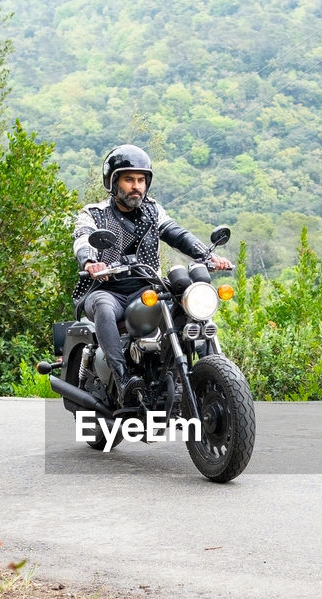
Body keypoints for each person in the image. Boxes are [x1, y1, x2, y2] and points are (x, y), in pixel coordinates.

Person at [72, 144, 233, 406]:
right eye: (128, 180)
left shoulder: (153, 211)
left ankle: (190, 371)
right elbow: (82, 238)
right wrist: (90, 261)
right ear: (113, 182)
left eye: (141, 180)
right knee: (103, 306)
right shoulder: (94, 214)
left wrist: (207, 255)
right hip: (106, 289)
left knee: (185, 299)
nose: (136, 186)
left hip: (146, 290)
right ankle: (123, 378)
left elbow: (177, 234)